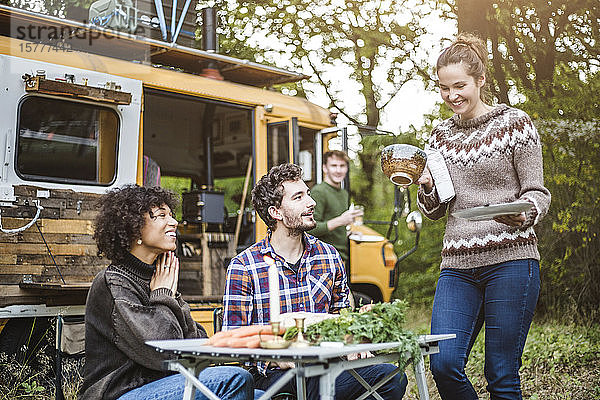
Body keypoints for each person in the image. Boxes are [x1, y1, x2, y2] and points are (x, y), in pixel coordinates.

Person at [413, 33, 551, 400]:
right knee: (443, 364)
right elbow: (435, 210)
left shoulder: (514, 123)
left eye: (460, 85)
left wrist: (526, 215)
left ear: (481, 80)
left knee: (501, 375)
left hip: (511, 260)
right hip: (457, 266)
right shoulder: (438, 137)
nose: (452, 95)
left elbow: (537, 192)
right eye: (444, 88)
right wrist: (425, 186)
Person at [223, 163, 407, 400]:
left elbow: (342, 317)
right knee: (316, 385)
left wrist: (360, 328)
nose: (311, 203)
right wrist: (275, 354)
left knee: (392, 377)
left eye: (308, 194)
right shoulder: (244, 266)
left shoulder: (329, 255)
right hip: (275, 376)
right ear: (275, 212)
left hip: (328, 367)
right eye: (298, 197)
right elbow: (231, 340)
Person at [81, 184, 258, 400]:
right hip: (120, 393)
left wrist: (170, 296)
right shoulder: (114, 283)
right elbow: (164, 352)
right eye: (161, 215)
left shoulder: (159, 275)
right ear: (133, 228)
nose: (174, 222)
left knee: (262, 394)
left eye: (172, 215)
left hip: (164, 384)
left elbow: (197, 342)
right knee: (236, 380)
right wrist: (164, 294)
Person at [309, 150, 363, 265]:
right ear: (324, 168)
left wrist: (349, 234)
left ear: (346, 168)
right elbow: (311, 228)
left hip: (341, 258)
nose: (338, 170)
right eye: (334, 166)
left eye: (342, 166)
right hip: (323, 259)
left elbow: (334, 229)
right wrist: (341, 220)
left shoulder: (344, 194)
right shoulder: (319, 192)